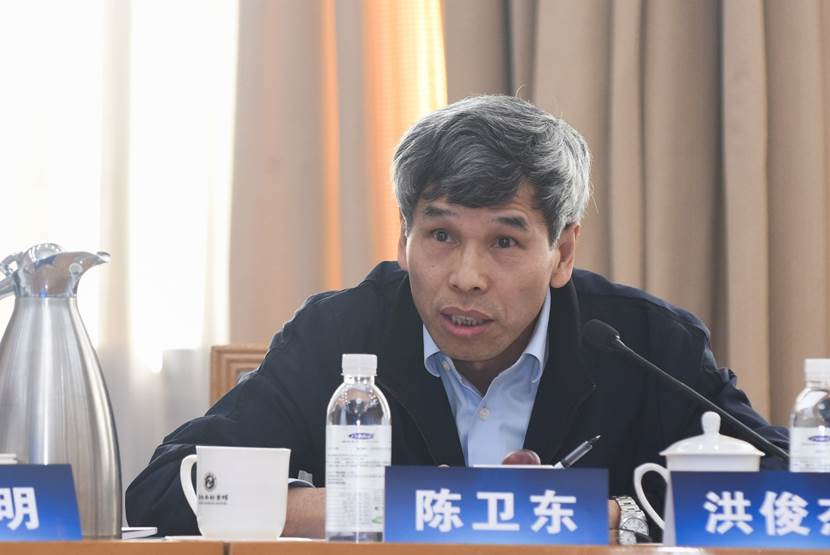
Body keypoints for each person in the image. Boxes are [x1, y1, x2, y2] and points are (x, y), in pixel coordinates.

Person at [126, 95, 787, 541]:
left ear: (562, 252)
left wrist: (618, 515)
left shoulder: (642, 341)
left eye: (505, 241)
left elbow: (795, 492)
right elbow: (162, 490)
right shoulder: (339, 334)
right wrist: (374, 506)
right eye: (441, 235)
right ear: (403, 239)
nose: (467, 276)